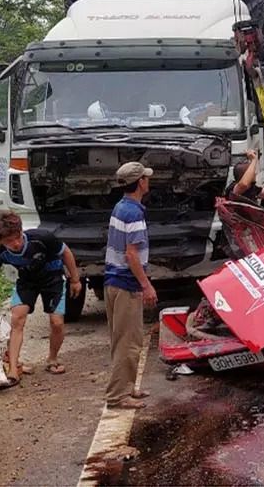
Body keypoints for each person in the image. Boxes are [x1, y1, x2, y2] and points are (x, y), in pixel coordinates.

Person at [0, 212, 82, 385]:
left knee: (57, 323)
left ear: (21, 231)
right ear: (0, 241)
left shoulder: (42, 238)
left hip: (53, 278)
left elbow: (66, 253)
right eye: (9, 241)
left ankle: (52, 360)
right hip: (27, 281)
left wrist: (75, 279)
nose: (15, 244)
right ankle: (13, 368)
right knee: (17, 318)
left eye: (17, 238)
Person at [104, 161, 158, 409]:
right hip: (126, 284)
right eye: (145, 178)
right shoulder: (134, 213)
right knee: (129, 342)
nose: (148, 181)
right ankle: (118, 396)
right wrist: (146, 285)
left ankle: (127, 387)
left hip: (113, 281)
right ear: (140, 183)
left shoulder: (120, 207)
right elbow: (132, 255)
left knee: (122, 339)